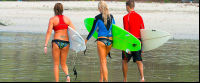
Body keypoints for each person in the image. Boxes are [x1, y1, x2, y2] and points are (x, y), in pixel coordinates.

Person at [44, 3, 75, 82]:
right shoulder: (67, 19)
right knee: (63, 63)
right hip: (66, 43)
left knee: (56, 64)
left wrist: (45, 45)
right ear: (62, 9)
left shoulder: (52, 19)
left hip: (56, 42)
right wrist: (74, 45)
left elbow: (49, 32)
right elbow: (74, 32)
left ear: (54, 10)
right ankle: (67, 76)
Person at [85, 1, 115, 82]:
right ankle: (101, 79)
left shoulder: (97, 17)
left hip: (101, 40)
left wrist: (86, 40)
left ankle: (106, 81)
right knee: (102, 60)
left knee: (103, 61)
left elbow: (92, 31)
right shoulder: (111, 17)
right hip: (110, 42)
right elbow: (115, 30)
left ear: (99, 8)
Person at [122, 0, 145, 82]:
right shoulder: (140, 17)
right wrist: (143, 47)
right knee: (139, 60)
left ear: (127, 7)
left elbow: (126, 33)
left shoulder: (126, 17)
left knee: (125, 60)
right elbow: (143, 31)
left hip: (129, 43)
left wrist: (126, 47)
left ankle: (125, 80)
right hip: (138, 42)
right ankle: (142, 78)